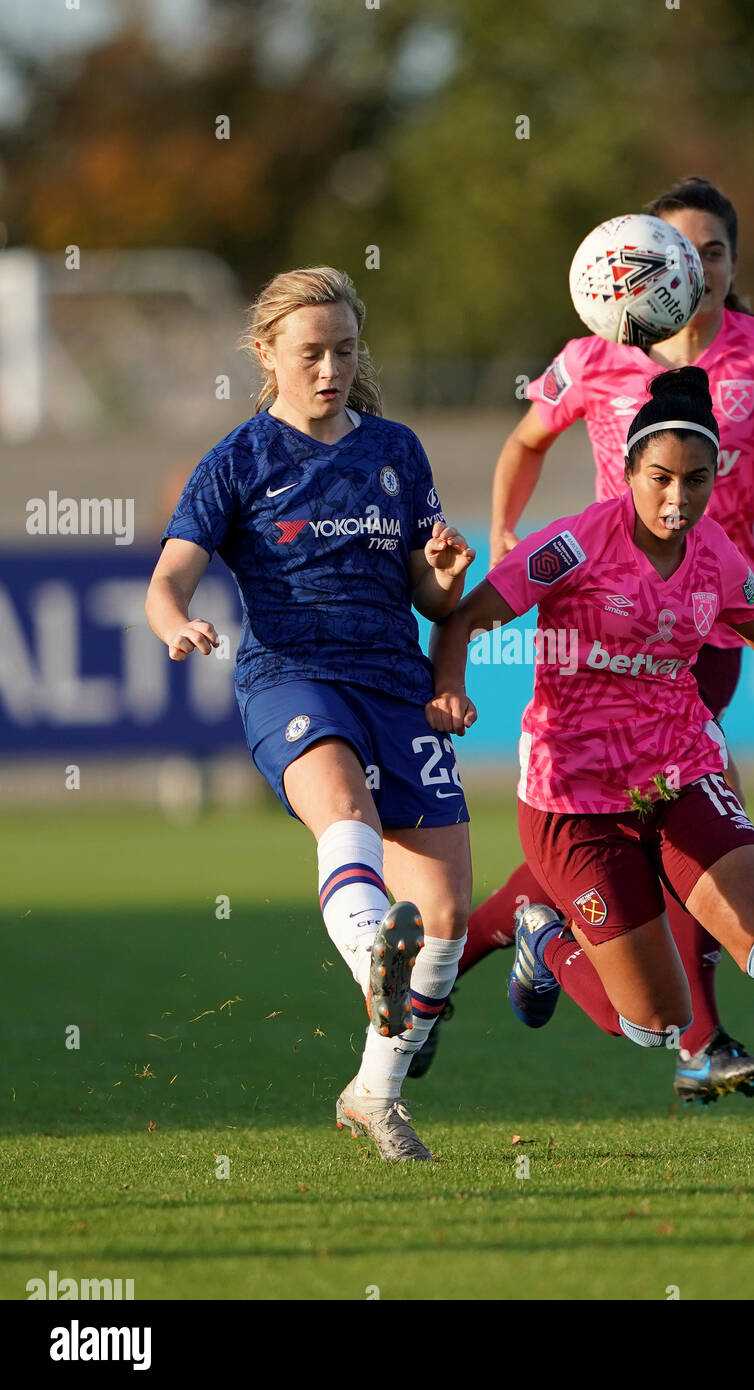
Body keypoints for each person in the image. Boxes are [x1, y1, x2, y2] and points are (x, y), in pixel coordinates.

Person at [415, 176, 754, 1105]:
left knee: (671, 828)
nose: (692, 266)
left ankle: (584, 969)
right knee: (629, 823)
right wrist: (507, 539)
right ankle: (682, 1028)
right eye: (674, 250)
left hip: (712, 615)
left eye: (709, 251)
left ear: (733, 265)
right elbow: (523, 445)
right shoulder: (592, 359)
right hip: (602, 617)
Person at [428, 366, 754, 1156]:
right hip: (574, 796)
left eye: (698, 480)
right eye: (662, 479)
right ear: (630, 470)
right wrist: (449, 689)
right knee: (651, 1024)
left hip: (682, 771)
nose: (679, 499)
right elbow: (470, 614)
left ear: (720, 477)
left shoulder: (711, 550)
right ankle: (542, 938)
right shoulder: (573, 544)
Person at [145, 266, 474, 1162]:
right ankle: (375, 950)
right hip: (290, 675)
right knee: (344, 810)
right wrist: (178, 624)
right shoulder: (240, 458)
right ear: (267, 355)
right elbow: (168, 579)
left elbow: (429, 596)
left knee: (445, 914)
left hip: (394, 683)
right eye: (310, 353)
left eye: (344, 350)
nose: (330, 369)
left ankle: (374, 1093)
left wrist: (442, 574)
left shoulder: (397, 450)